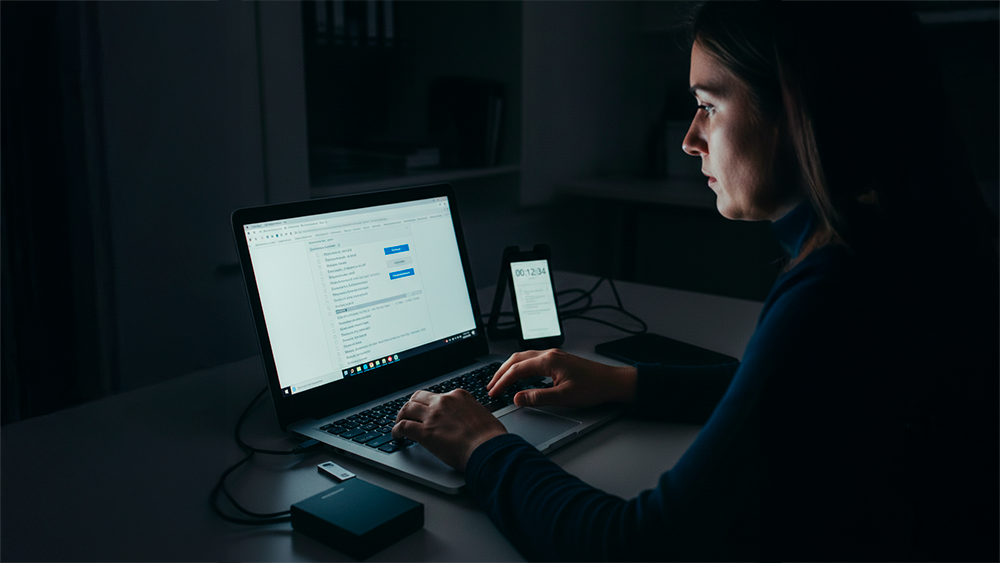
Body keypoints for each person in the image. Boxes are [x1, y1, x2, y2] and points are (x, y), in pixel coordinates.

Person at [392, 0, 1000, 560]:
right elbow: (789, 393)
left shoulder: (836, 292)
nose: (688, 139)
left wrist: (482, 447)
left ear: (794, 107)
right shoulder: (907, 239)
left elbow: (636, 547)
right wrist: (625, 383)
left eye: (709, 104)